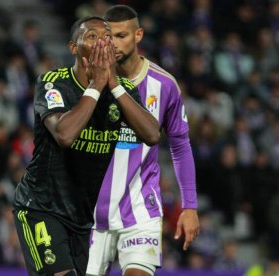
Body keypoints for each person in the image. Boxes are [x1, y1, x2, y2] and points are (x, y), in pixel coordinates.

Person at [13, 16, 160, 276]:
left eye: (106, 36)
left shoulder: (122, 89)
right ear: (73, 48)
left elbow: (151, 134)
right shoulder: (53, 83)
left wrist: (111, 83)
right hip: (41, 207)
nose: (102, 41)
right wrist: (96, 85)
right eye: (92, 36)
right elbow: (64, 135)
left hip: (82, 219)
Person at [86, 5, 200, 276]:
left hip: (139, 209)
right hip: (88, 213)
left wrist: (190, 206)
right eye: (108, 36)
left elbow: (180, 146)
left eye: (121, 35)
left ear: (138, 35)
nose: (113, 44)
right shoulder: (87, 81)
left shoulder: (164, 85)